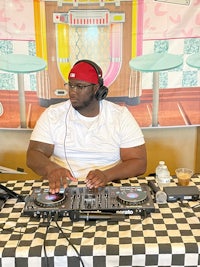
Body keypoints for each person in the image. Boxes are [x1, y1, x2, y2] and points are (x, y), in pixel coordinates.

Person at [26, 59, 147, 194]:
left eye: (80, 86)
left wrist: (107, 175)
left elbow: (139, 162)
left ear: (96, 88)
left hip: (110, 186)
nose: (72, 92)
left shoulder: (120, 116)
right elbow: (33, 155)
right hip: (62, 188)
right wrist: (51, 168)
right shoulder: (52, 114)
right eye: (70, 86)